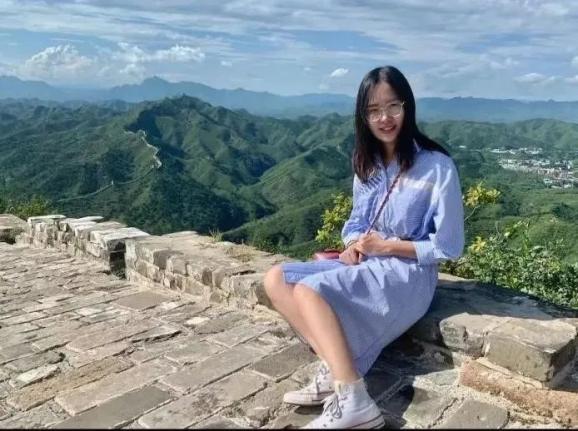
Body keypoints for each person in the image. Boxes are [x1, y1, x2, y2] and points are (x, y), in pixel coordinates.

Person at [263, 65, 465, 429]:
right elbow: (356, 224)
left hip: (409, 274)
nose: (384, 118)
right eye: (373, 110)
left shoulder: (437, 166)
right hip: (367, 262)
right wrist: (353, 245)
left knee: (309, 291)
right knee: (276, 279)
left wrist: (388, 247)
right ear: (363, 116)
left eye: (393, 106)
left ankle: (354, 400)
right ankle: (338, 370)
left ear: (407, 107)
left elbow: (448, 246)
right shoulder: (366, 163)